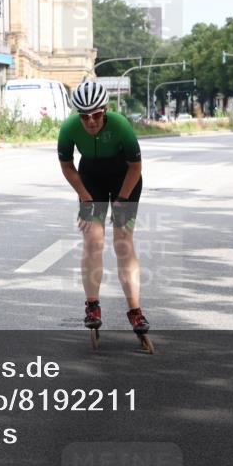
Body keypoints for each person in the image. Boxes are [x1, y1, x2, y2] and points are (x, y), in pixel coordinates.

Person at [57, 81, 150, 340]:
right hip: (91, 180)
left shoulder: (120, 124)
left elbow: (136, 166)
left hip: (125, 179)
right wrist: (85, 198)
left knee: (123, 242)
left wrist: (121, 199)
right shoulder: (69, 128)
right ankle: (92, 306)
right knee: (93, 241)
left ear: (105, 110)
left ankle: (134, 310)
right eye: (84, 116)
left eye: (96, 115)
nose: (91, 122)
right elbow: (67, 167)